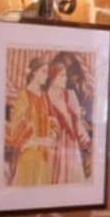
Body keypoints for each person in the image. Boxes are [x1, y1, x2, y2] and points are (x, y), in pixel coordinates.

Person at [4, 57, 55, 186]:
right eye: (43, 71)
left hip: (45, 156)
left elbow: (51, 121)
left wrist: (52, 134)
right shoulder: (24, 96)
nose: (47, 75)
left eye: (47, 72)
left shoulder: (44, 96)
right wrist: (40, 141)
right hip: (29, 154)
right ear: (34, 73)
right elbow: (16, 130)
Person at [45, 53, 91, 184]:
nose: (66, 79)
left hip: (70, 143)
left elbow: (77, 123)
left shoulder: (70, 95)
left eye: (65, 75)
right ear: (52, 77)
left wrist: (86, 144)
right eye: (62, 75)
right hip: (52, 145)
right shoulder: (43, 96)